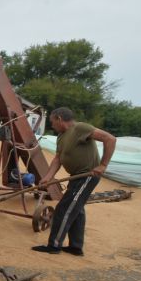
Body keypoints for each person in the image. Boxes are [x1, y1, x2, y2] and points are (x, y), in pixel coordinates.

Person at [32, 107, 116, 255]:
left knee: (64, 209)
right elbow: (58, 159)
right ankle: (76, 247)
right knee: (77, 210)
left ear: (59, 119)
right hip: (76, 177)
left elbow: (110, 139)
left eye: (52, 122)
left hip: (86, 176)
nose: (52, 125)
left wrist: (103, 165)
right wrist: (47, 177)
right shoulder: (61, 136)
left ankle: (54, 245)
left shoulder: (80, 128)